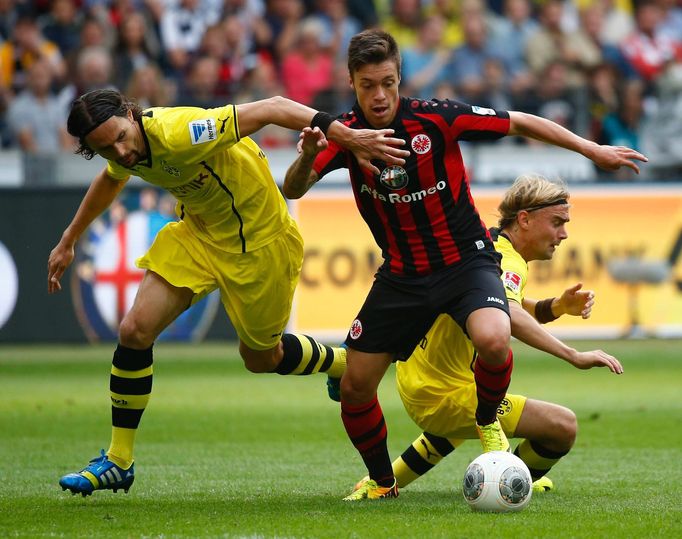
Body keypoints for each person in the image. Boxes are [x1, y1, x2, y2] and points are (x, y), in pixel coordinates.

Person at [282, 29, 646, 501]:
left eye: (388, 83)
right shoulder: (346, 135)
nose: (379, 95)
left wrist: (590, 150)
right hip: (403, 275)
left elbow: (521, 121)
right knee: (354, 388)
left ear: (400, 78)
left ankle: (486, 418)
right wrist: (308, 155)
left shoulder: (436, 119)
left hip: (465, 262)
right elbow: (294, 189)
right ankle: (383, 484)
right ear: (351, 82)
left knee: (493, 339)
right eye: (368, 84)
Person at [48, 88, 409, 497]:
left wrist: (349, 136)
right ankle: (119, 460)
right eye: (106, 149)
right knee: (134, 330)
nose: (121, 152)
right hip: (198, 234)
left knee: (260, 358)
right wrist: (69, 238)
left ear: (131, 114)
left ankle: (340, 363)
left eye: (121, 138)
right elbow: (111, 179)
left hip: (260, 243)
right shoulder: (119, 152)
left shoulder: (182, 131)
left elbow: (273, 107)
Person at [351, 174, 623, 495]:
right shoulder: (507, 261)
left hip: (420, 380)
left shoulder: (487, 247)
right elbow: (509, 311)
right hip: (442, 394)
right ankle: (511, 480)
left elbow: (500, 307)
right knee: (562, 427)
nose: (563, 234)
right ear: (524, 219)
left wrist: (557, 306)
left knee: (476, 403)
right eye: (557, 223)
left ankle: (383, 484)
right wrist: (573, 355)